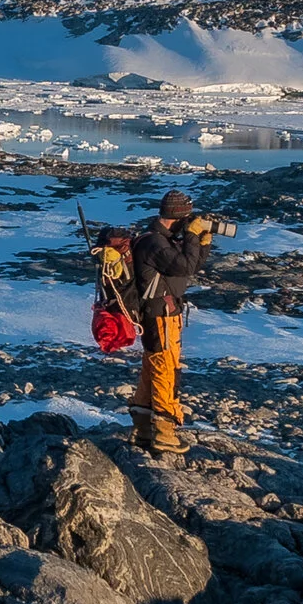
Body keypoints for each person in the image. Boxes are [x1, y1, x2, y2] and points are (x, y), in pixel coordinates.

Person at [129, 188, 211, 456]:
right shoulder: (154, 243)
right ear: (178, 216)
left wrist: (202, 242)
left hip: (161, 315)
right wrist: (191, 236)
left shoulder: (161, 240)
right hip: (160, 316)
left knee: (153, 367)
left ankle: (142, 429)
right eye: (187, 219)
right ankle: (165, 433)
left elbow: (189, 267)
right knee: (166, 370)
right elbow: (184, 266)